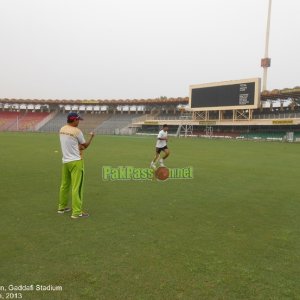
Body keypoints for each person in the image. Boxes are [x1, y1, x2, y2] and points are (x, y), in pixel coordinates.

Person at [57, 112, 94, 219]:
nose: (79, 122)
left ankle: (61, 207)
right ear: (74, 120)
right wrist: (91, 137)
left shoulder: (62, 129)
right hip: (76, 161)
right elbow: (84, 146)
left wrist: (78, 146)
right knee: (77, 187)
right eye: (78, 120)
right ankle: (77, 212)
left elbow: (70, 143)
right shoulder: (77, 131)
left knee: (64, 185)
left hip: (65, 161)